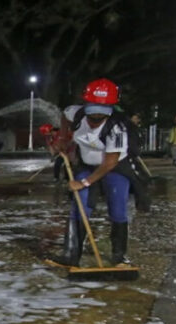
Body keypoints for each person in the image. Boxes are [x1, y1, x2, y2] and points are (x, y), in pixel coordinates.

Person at [54, 78, 135, 268]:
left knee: (117, 209)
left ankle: (119, 257)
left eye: (101, 114)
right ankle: (71, 255)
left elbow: (110, 162)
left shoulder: (117, 127)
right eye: (91, 112)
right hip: (87, 166)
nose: (94, 118)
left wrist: (85, 183)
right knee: (80, 207)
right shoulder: (76, 113)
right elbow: (64, 116)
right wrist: (63, 138)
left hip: (115, 169)